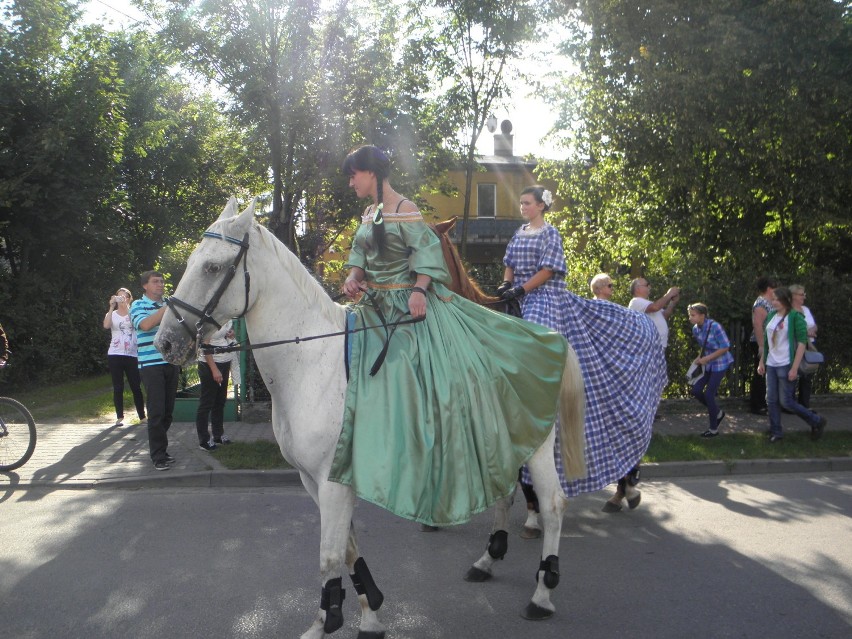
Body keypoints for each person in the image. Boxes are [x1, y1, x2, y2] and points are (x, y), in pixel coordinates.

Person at [330, 146, 570, 527]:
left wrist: (419, 289)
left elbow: (427, 258)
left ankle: (435, 449)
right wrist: (353, 278)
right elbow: (360, 254)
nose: (350, 181)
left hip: (409, 306)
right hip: (373, 306)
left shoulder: (406, 209)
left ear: (371, 174)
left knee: (427, 374)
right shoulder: (368, 213)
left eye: (353, 174)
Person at [500, 185, 666, 516]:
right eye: (520, 203)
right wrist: (507, 284)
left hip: (545, 298)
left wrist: (521, 287)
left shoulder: (550, 234)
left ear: (541, 207)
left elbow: (547, 271)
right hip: (518, 296)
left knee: (535, 332)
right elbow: (508, 262)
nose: (522, 208)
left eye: (527, 203)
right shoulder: (519, 234)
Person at [757, 286, 827, 443]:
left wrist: (794, 368)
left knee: (787, 401)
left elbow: (802, 342)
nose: (773, 302)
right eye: (772, 299)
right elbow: (768, 342)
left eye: (776, 299)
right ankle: (776, 432)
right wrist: (762, 361)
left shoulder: (795, 317)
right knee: (771, 400)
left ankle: (816, 420)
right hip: (771, 364)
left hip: (786, 364)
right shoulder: (771, 316)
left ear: (785, 300)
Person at [130, 271, 180, 471]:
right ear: (145, 286)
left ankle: (161, 450)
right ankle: (157, 456)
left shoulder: (167, 303)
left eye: (162, 281)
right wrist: (168, 308)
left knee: (168, 412)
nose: (160, 285)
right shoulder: (137, 306)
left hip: (170, 361)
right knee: (157, 412)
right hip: (151, 365)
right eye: (155, 282)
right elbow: (145, 324)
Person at [686, 303, 734, 437]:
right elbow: (704, 347)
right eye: (690, 315)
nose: (690, 318)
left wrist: (707, 358)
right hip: (707, 364)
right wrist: (699, 358)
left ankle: (713, 429)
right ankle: (718, 412)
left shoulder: (715, 327)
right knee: (696, 390)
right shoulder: (696, 329)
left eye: (693, 315)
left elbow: (725, 347)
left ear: (702, 315)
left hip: (720, 363)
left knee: (709, 394)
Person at [102, 287, 146, 426]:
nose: (122, 299)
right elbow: (106, 325)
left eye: (125, 297)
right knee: (118, 387)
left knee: (136, 386)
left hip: (131, 354)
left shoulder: (133, 313)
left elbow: (139, 326)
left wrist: (128, 308)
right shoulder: (112, 314)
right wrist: (111, 307)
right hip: (115, 354)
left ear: (129, 298)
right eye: (119, 296)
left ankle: (142, 416)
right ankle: (119, 416)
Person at [195, 320, 236, 451]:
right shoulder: (209, 320)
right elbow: (204, 346)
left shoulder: (226, 317)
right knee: (206, 403)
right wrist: (214, 370)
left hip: (224, 361)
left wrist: (230, 335)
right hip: (210, 365)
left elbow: (224, 336)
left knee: (220, 401)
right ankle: (204, 440)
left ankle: (218, 434)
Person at [749, 276, 778, 414]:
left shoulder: (770, 302)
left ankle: (766, 402)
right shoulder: (761, 304)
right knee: (761, 372)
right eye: (774, 287)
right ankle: (758, 405)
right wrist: (761, 345)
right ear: (768, 288)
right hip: (762, 342)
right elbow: (758, 325)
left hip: (772, 342)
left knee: (768, 372)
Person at [628, 277, 680, 349]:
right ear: (638, 288)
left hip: (657, 345)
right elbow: (655, 307)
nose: (649, 287)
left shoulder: (647, 303)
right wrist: (669, 294)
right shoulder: (635, 301)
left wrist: (673, 302)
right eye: (647, 285)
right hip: (649, 345)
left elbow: (665, 315)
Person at [789, 284, 817, 408]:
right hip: (795, 346)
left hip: (809, 345)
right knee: (792, 374)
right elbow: (792, 329)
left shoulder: (805, 309)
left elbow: (813, 325)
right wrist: (806, 331)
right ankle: (790, 404)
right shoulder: (788, 311)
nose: (804, 297)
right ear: (793, 296)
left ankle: (804, 404)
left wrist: (812, 330)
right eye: (801, 294)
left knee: (807, 374)